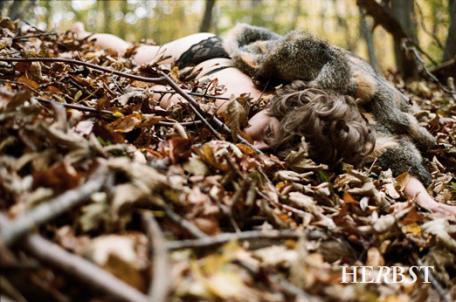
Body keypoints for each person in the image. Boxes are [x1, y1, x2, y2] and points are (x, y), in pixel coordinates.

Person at [69, 23, 456, 216]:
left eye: (275, 146)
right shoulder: (242, 101)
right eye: (268, 133)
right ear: (273, 106)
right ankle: (81, 34)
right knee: (132, 53)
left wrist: (426, 200)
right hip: (198, 53)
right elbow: (149, 93)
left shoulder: (316, 120)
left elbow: (394, 151)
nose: (259, 145)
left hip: (215, 64)